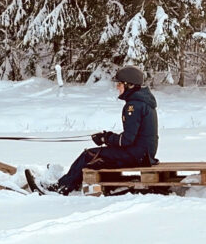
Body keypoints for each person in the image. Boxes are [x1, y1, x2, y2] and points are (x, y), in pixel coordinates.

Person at [26, 65, 159, 195]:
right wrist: (106, 137)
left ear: (129, 85)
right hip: (142, 153)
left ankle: (61, 188)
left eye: (119, 84)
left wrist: (105, 138)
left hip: (137, 155)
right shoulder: (141, 102)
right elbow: (131, 137)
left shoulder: (134, 106)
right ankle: (71, 183)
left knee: (89, 156)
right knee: (94, 155)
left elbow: (126, 140)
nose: (117, 87)